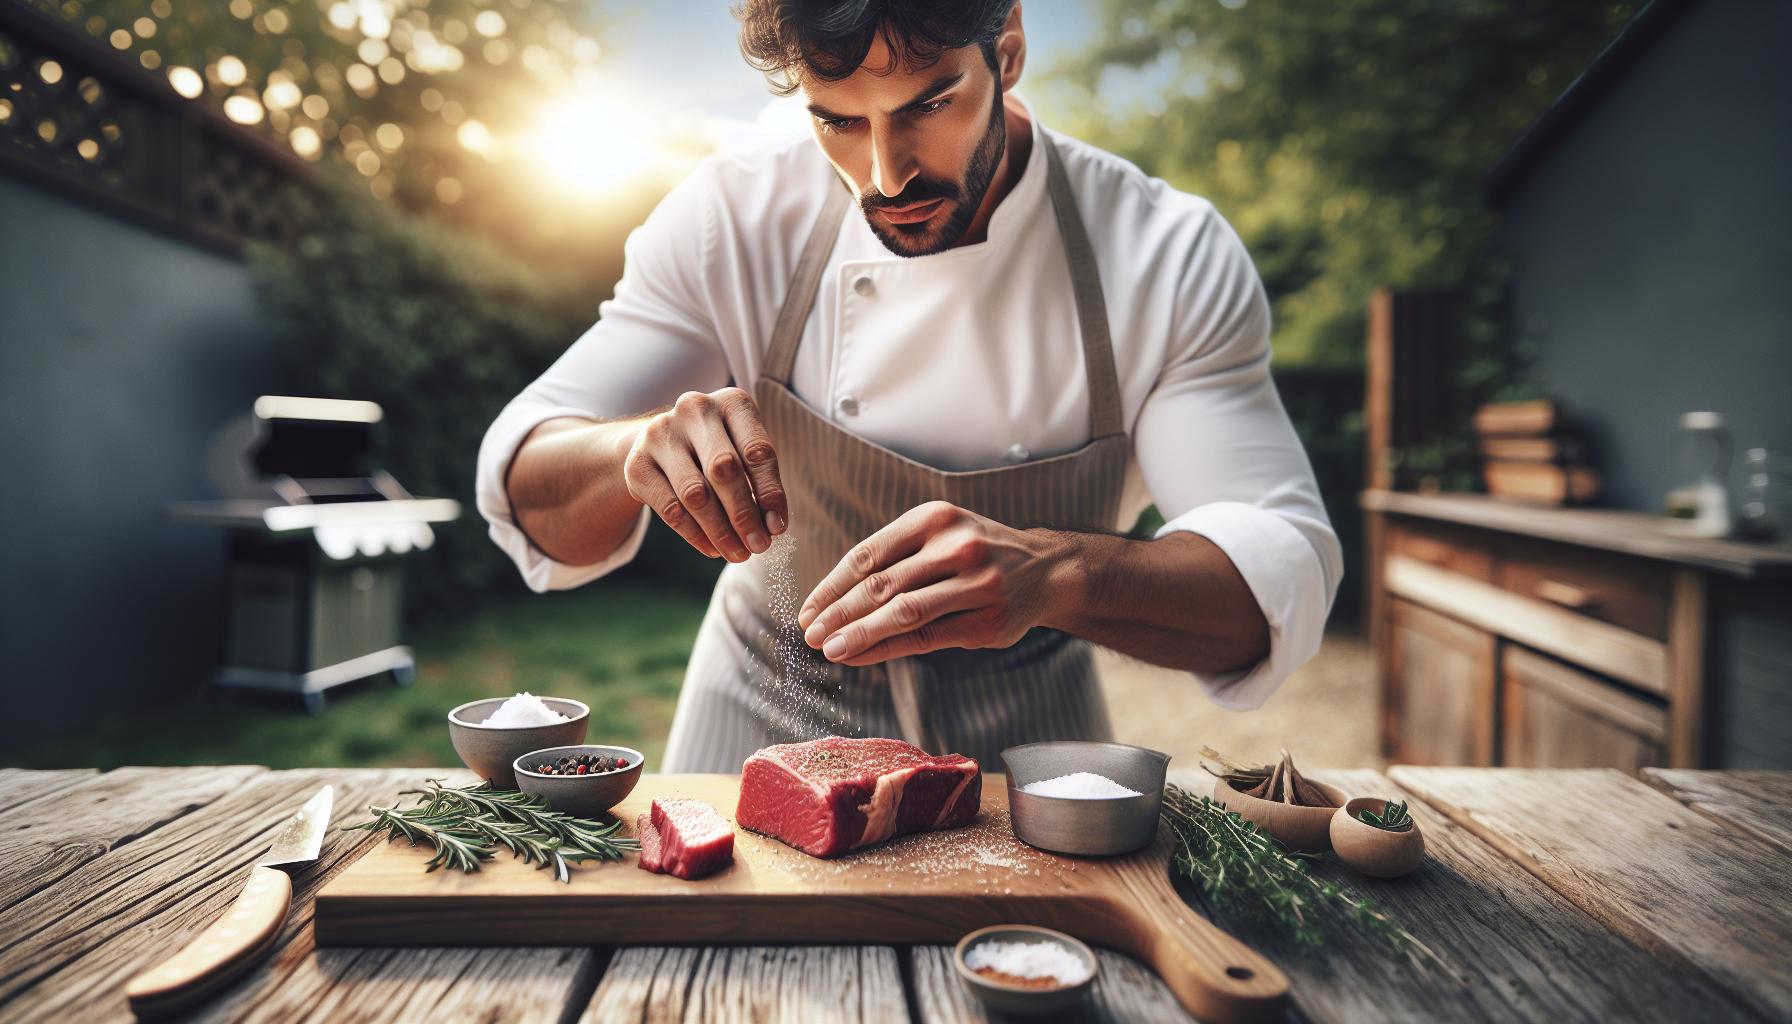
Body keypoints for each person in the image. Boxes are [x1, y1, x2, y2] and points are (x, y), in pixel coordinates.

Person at [476, 0, 1341, 772]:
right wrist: (636, 449)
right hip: (761, 714)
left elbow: (1273, 577)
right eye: (837, 121)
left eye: (929, 105)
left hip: (1031, 739)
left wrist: (1058, 576)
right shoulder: (729, 218)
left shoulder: (1164, 254)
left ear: (1006, 50)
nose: (885, 177)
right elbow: (529, 478)